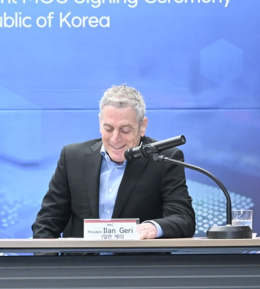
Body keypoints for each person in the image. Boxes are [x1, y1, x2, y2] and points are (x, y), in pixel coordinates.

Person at [32, 85, 195, 240]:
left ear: (142, 126)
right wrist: (49, 266)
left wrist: (153, 227)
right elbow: (46, 223)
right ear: (100, 122)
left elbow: (184, 219)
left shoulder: (164, 159)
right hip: (81, 266)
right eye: (108, 128)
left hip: (138, 266)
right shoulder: (73, 157)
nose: (115, 138)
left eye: (125, 130)